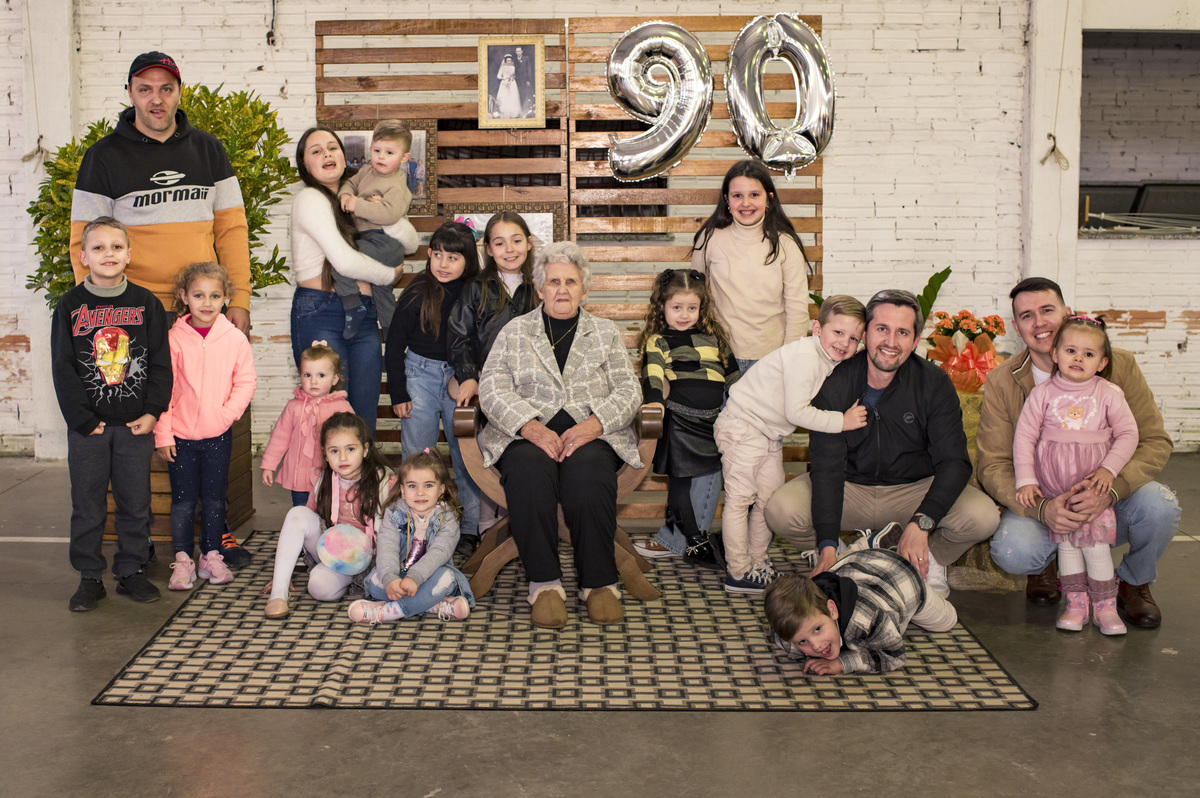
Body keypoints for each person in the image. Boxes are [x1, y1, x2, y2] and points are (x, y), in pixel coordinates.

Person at [764, 289, 1001, 597]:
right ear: (866, 334)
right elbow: (828, 468)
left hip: (913, 491)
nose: (891, 342)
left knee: (983, 516)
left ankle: (927, 560)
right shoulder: (835, 381)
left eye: (902, 332)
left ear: (916, 341)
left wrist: (922, 524)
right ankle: (844, 555)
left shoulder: (933, 383)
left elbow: (953, 462)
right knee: (781, 509)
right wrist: (826, 543)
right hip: (850, 489)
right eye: (882, 329)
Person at [978, 277, 1178, 628]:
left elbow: (1153, 440)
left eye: (1047, 310)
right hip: (1045, 494)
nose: (1039, 323)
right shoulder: (1002, 381)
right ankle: (1046, 566)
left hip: (1107, 490)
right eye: (1027, 316)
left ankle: (1133, 581)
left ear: (1066, 313)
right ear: (1016, 327)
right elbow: (993, 464)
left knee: (1160, 506)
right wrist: (1041, 509)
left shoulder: (1118, 366)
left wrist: (1112, 488)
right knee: (1013, 550)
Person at [478, 242, 643, 628]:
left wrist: (594, 425)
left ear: (585, 289)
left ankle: (599, 583)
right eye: (554, 281)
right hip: (526, 435)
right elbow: (492, 388)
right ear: (540, 289)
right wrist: (528, 426)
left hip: (590, 434)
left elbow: (628, 389)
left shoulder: (604, 333)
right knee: (528, 474)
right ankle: (545, 584)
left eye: (571, 281)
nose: (562, 289)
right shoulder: (514, 332)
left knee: (588, 476)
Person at [69, 52, 252, 334]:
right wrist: (96, 307)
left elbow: (232, 231)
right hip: (129, 310)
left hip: (200, 309)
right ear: (129, 93)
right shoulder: (102, 157)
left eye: (166, 89)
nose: (156, 99)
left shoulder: (208, 149)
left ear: (180, 92)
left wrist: (239, 299)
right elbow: (84, 241)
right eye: (145, 89)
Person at [52, 217, 173, 610]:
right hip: (88, 428)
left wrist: (154, 411)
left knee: (134, 503)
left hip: (135, 426)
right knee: (87, 504)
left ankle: (131, 570)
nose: (108, 254)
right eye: (99, 247)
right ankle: (89, 576)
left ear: (129, 254)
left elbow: (160, 363)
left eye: (116, 247)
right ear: (83, 256)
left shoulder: (146, 303)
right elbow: (63, 367)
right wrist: (82, 419)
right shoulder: (70, 305)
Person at [715, 296, 868, 595]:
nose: (844, 343)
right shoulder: (806, 357)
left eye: (854, 338)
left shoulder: (825, 359)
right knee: (740, 499)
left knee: (768, 500)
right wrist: (842, 421)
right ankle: (738, 570)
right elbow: (796, 412)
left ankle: (757, 562)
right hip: (742, 425)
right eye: (838, 332)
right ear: (816, 328)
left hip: (767, 433)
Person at [1012, 316, 1139, 635]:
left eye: (1088, 354)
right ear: (1054, 353)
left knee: (1095, 547)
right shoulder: (1042, 394)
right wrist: (1026, 479)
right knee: (1067, 545)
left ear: (1102, 362)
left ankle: (1105, 606)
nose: (1078, 359)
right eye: (1070, 350)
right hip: (1057, 493)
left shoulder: (1108, 393)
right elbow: (1025, 437)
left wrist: (1109, 469)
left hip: (1091, 492)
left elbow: (1128, 434)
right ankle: (1075, 603)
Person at [290, 126, 405, 431]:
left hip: (364, 314)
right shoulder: (310, 200)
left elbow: (405, 237)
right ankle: (325, 481)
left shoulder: (354, 197)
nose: (327, 154)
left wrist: (376, 209)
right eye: (316, 151)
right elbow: (343, 261)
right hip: (321, 311)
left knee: (363, 416)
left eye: (332, 147)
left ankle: (359, 481)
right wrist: (390, 274)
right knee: (329, 418)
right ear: (306, 165)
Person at [155, 262, 258, 590]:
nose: (207, 303)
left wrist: (226, 415)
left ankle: (211, 555)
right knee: (183, 501)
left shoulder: (234, 339)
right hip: (181, 438)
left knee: (215, 500)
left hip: (218, 436)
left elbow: (246, 381)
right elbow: (164, 388)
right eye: (198, 295)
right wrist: (163, 431)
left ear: (226, 297)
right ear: (184, 296)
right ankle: (183, 559)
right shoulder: (174, 338)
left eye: (215, 295)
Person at [634, 268, 740, 570]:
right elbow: (652, 374)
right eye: (676, 308)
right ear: (662, 307)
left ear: (701, 308)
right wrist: (655, 403)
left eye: (692, 308)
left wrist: (743, 403)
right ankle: (694, 540)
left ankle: (692, 539)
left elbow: (732, 374)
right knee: (680, 485)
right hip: (679, 420)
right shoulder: (658, 340)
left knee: (709, 477)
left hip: (713, 421)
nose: (684, 315)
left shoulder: (713, 336)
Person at [385, 222, 482, 543]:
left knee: (466, 453)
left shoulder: (476, 293)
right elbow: (395, 343)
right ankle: (414, 527)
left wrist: (471, 376)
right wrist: (398, 392)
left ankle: (469, 529)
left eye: (453, 258)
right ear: (428, 255)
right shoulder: (416, 291)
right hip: (419, 375)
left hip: (460, 379)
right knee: (418, 455)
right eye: (438, 255)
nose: (443, 264)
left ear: (468, 261)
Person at [263, 413, 396, 619]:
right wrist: (284, 572)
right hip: (332, 556)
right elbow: (304, 527)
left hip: (373, 559)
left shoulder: (384, 481)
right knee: (317, 586)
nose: (343, 458)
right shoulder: (321, 479)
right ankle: (278, 594)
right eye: (334, 451)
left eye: (351, 449)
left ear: (366, 450)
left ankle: (364, 580)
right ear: (325, 454)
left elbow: (396, 531)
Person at [691, 160, 810, 371]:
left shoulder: (786, 245)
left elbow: (797, 308)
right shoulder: (709, 239)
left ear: (769, 199)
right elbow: (693, 297)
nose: (746, 203)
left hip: (771, 358)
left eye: (754, 195)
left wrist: (789, 358)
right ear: (727, 200)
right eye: (738, 195)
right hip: (720, 357)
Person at [764, 547, 958, 675]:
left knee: (948, 621)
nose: (815, 646)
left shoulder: (869, 618)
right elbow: (781, 635)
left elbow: (894, 655)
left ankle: (919, 557)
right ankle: (870, 543)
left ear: (832, 609)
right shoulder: (793, 627)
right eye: (802, 641)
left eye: (817, 629)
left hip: (904, 578)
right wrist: (799, 643)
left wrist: (842, 663)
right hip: (858, 564)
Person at [347, 450, 475, 624]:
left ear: (441, 490)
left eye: (428, 485)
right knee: (375, 580)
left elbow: (440, 552)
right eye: (412, 486)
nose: (420, 492)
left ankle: (388, 612)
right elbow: (387, 546)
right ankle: (432, 605)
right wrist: (390, 578)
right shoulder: (394, 513)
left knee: (447, 578)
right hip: (398, 576)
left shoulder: (447, 517)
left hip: (430, 575)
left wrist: (415, 577)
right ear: (403, 490)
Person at [336, 120, 420, 339]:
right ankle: (393, 334)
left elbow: (390, 214)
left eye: (389, 152)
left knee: (341, 260)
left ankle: (353, 306)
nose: (381, 157)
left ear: (404, 158)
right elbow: (350, 184)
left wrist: (357, 205)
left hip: (386, 243)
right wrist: (345, 195)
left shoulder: (398, 183)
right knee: (382, 289)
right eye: (377, 150)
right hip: (368, 238)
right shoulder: (366, 171)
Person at [448, 211, 540, 408]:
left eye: (516, 241)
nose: (509, 250)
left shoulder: (541, 288)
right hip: (489, 382)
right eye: (499, 243)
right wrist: (468, 376)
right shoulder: (475, 288)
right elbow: (460, 337)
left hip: (535, 384)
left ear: (529, 243)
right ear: (489, 249)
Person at [260, 342, 354, 507]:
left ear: (335, 379)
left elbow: (353, 440)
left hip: (330, 474)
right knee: (301, 512)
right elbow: (279, 438)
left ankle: (329, 533)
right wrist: (269, 465)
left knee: (329, 511)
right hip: (300, 476)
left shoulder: (342, 407)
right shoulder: (294, 407)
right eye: (307, 375)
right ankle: (303, 532)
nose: (314, 381)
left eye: (321, 375)